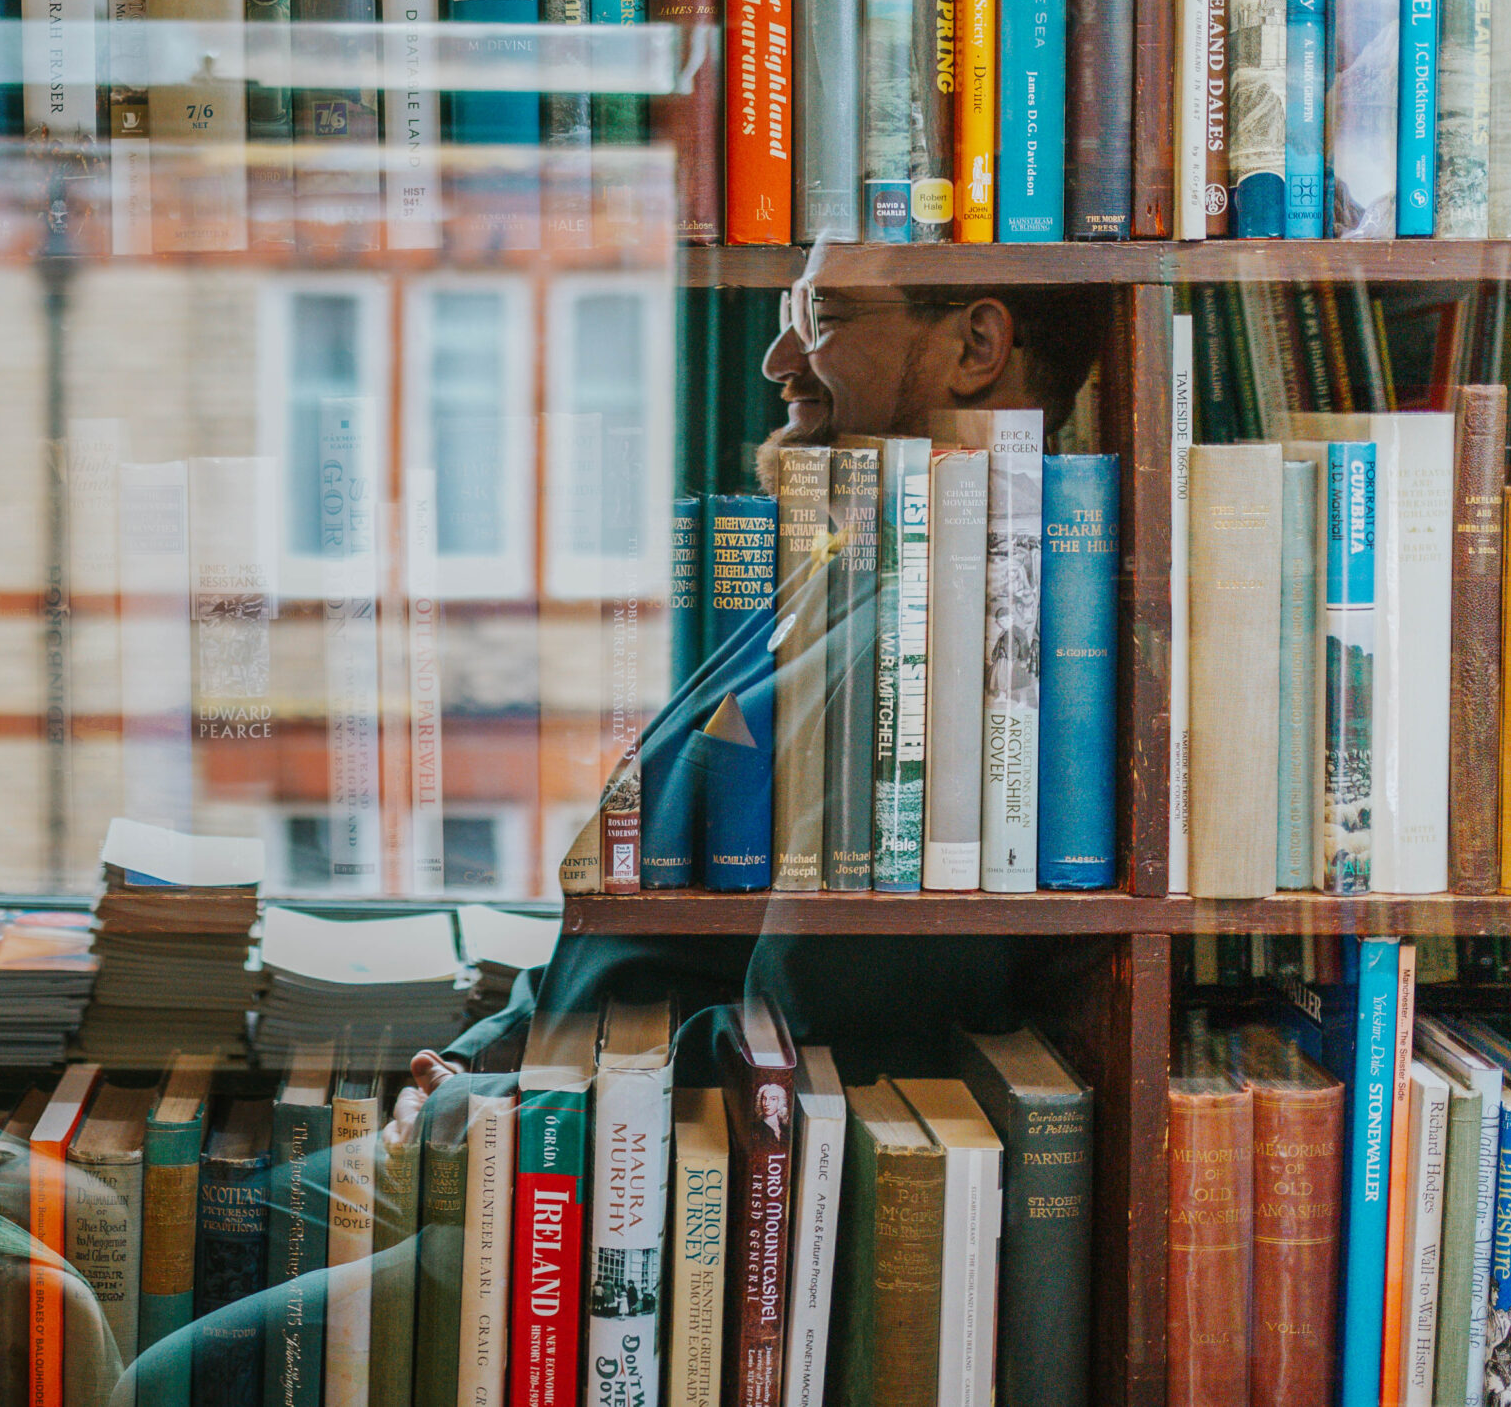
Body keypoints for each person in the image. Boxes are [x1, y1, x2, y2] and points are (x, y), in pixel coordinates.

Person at [405, 263, 1115, 1103]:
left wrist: (480, 1115)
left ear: (978, 346)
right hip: (535, 1104)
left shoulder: (939, 646)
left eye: (821, 313)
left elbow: (813, 1048)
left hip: (625, 1167)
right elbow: (663, 931)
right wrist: (489, 1056)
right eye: (791, 310)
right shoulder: (842, 558)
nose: (780, 356)